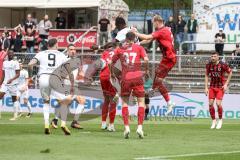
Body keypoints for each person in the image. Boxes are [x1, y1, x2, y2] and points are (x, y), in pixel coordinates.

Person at [133, 15, 176, 116]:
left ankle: (150, 91)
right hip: (167, 59)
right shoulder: (165, 30)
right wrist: (138, 45)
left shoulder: (162, 31)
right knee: (157, 81)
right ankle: (167, 101)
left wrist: (135, 33)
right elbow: (148, 40)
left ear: (157, 22)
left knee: (157, 81)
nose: (153, 25)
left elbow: (148, 37)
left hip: (169, 59)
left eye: (153, 23)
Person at [28, 38, 72, 135]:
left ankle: (47, 125)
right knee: (65, 102)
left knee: (46, 102)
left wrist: (30, 76)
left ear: (48, 45)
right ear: (56, 45)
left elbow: (30, 64)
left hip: (43, 78)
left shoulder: (41, 53)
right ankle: (63, 124)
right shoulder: (61, 55)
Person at [110, 32, 149, 139]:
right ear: (135, 38)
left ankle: (126, 127)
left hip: (125, 78)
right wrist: (146, 70)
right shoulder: (139, 47)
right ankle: (140, 128)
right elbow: (146, 60)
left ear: (125, 39)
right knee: (141, 102)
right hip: (137, 77)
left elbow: (110, 62)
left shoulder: (120, 48)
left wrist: (111, 73)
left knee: (124, 103)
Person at [51, 44, 85, 130]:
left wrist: (82, 76)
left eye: (74, 49)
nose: (73, 51)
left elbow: (79, 72)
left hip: (73, 86)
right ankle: (55, 120)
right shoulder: (64, 60)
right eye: (71, 49)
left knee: (81, 101)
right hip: (65, 85)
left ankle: (74, 122)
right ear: (67, 51)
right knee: (65, 104)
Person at [205, 52, 232, 130]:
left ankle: (220, 120)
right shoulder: (209, 65)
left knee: (218, 103)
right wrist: (206, 87)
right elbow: (206, 75)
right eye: (212, 56)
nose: (212, 58)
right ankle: (214, 121)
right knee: (210, 104)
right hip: (212, 86)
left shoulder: (223, 65)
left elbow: (230, 72)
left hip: (220, 87)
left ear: (218, 57)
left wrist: (226, 84)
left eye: (214, 56)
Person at [99, 42, 118, 131]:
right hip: (111, 76)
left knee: (106, 100)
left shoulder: (105, 53)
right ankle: (111, 125)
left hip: (103, 77)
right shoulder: (118, 51)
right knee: (113, 101)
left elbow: (101, 64)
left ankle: (103, 123)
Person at [0, 50, 20, 121]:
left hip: (13, 84)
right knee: (0, 95)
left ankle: (15, 115)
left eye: (12, 53)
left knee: (14, 99)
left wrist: (11, 79)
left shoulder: (16, 63)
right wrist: (0, 83)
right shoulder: (4, 63)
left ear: (13, 54)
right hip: (5, 83)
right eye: (9, 53)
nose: (11, 54)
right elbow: (3, 74)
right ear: (7, 54)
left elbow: (18, 74)